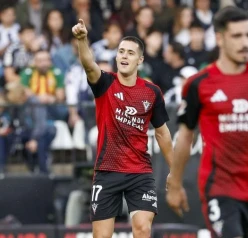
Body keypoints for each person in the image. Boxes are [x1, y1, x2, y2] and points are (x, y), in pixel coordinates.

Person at [166, 6, 248, 238]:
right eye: (237, 36)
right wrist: (174, 184)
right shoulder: (199, 84)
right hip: (217, 186)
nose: (245, 43)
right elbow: (185, 136)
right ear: (220, 38)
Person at [71, 19, 173, 238]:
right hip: (107, 170)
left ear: (140, 60)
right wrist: (82, 40)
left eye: (130, 53)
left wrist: (175, 169)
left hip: (140, 172)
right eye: (121, 52)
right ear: (116, 56)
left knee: (143, 228)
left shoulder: (152, 92)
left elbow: (163, 133)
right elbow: (89, 64)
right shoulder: (105, 83)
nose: (124, 56)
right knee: (101, 235)